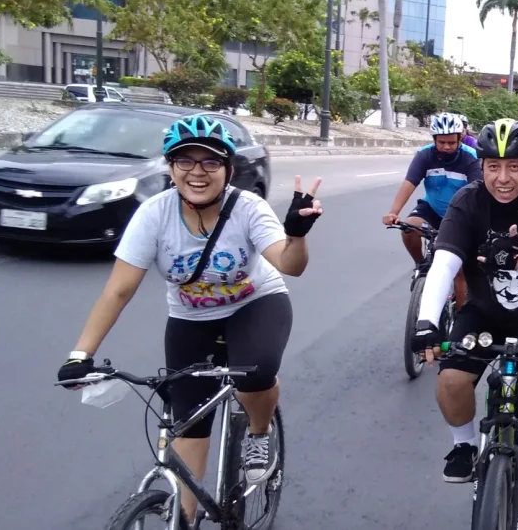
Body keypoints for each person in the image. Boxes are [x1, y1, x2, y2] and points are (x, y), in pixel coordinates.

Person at [57, 115, 324, 520]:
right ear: (171, 168)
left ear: (228, 171)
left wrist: (297, 235)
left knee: (255, 372)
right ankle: (184, 519)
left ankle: (258, 431)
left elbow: (290, 265)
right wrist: (81, 354)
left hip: (255, 303)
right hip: (191, 319)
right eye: (185, 161)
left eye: (210, 163)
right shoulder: (154, 214)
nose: (197, 172)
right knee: (188, 422)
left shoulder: (247, 208)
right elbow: (118, 289)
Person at [410, 118, 518, 530]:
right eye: (493, 166)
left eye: (513, 167)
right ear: (483, 166)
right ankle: (465, 446)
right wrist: (426, 321)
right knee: (451, 381)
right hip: (484, 315)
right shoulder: (468, 201)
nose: (502, 178)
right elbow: (445, 262)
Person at [382, 112, 480, 308]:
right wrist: (394, 212)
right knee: (409, 227)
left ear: (460, 138)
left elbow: (478, 193)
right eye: (441, 142)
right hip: (432, 209)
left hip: (459, 214)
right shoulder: (425, 155)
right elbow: (409, 183)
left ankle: (459, 323)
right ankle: (421, 265)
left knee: (459, 271)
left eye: (451, 142)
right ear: (434, 139)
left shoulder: (471, 158)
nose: (446, 147)